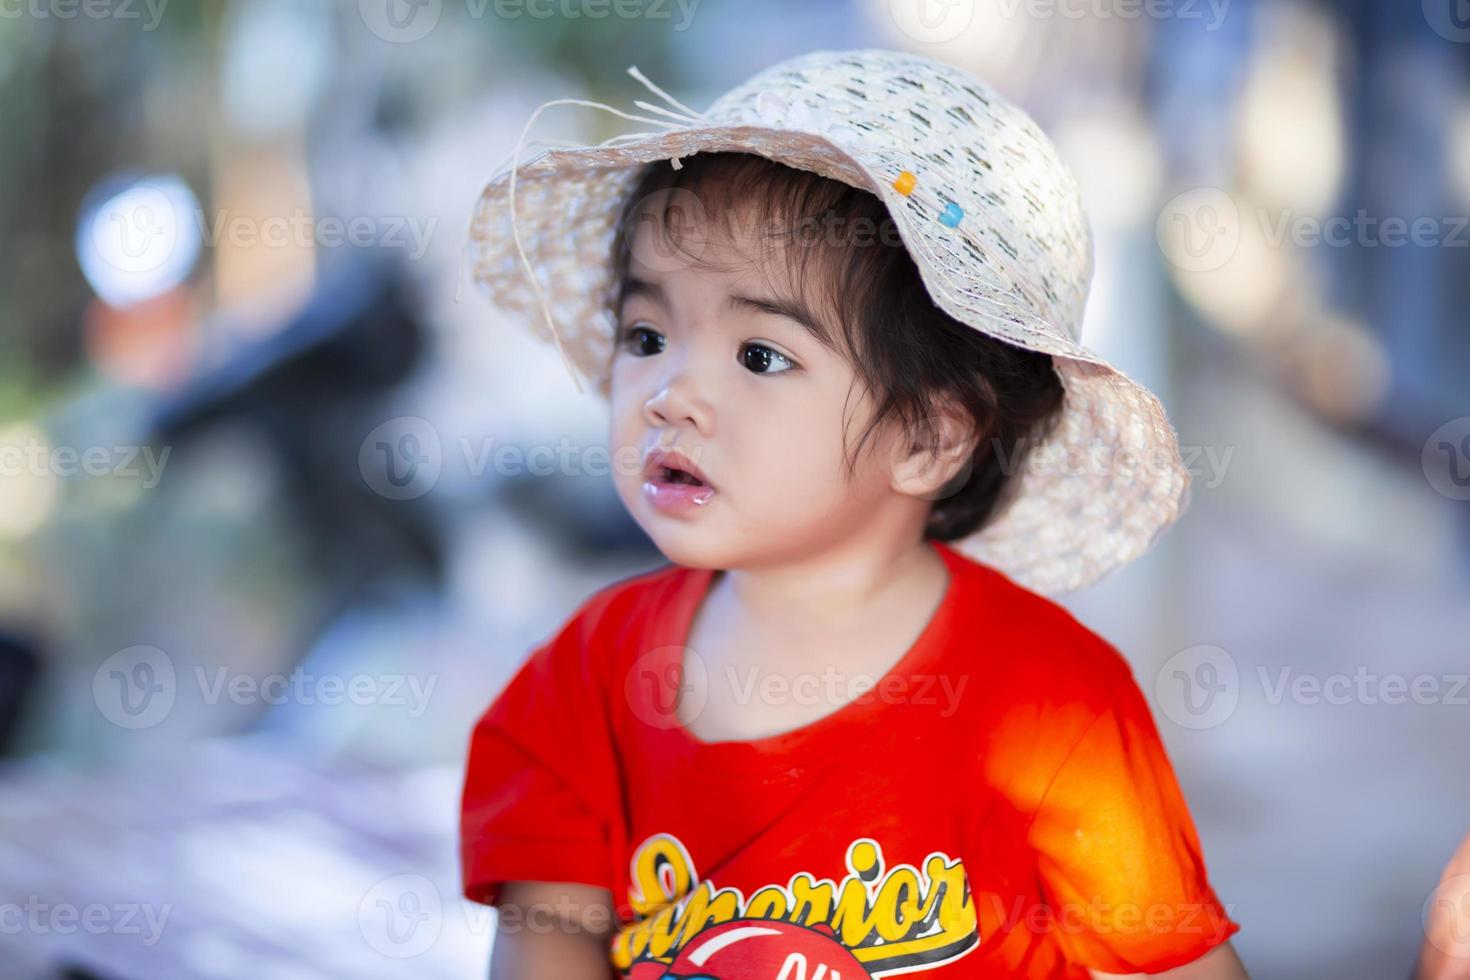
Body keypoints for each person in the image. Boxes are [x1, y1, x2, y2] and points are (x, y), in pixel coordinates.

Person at [457, 49, 1249, 979]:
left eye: (760, 355)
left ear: (928, 435)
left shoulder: (1052, 707)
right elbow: (544, 946)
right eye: (647, 335)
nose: (670, 394)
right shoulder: (578, 692)